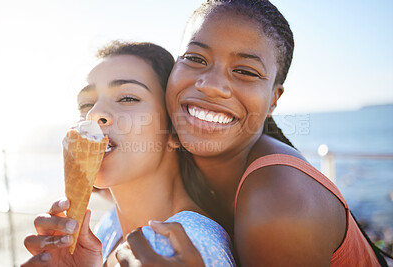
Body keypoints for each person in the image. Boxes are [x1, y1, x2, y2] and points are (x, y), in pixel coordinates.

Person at [119, 0, 385, 266]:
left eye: (245, 71)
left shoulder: (280, 202)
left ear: (273, 100)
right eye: (195, 59)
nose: (212, 86)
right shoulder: (175, 158)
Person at [21, 41, 236, 267]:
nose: (94, 114)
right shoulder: (109, 227)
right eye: (86, 104)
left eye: (128, 98)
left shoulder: (182, 247)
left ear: (175, 130)